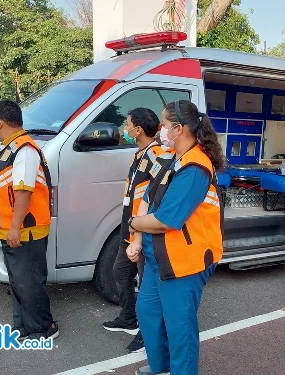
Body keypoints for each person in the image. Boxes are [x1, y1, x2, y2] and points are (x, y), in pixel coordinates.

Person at [126, 100, 224, 375]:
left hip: (184, 261)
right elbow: (147, 197)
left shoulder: (196, 168)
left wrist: (133, 223)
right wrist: (135, 237)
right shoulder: (170, 157)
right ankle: (161, 366)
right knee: (148, 314)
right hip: (159, 257)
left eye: (165, 125)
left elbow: (166, 220)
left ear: (180, 129)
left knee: (180, 328)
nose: (161, 130)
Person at [0, 99, 58, 341]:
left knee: (29, 282)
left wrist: (15, 228)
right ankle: (25, 325)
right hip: (14, 228)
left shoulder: (24, 150)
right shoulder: (11, 147)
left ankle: (44, 327)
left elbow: (24, 191)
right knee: (18, 281)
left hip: (26, 230)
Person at [102, 107, 165, 353]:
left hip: (142, 232)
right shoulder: (140, 153)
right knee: (120, 273)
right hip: (129, 227)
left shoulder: (156, 156)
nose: (124, 129)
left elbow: (156, 198)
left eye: (127, 125)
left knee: (147, 284)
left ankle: (146, 332)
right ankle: (128, 318)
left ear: (138, 129)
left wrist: (140, 232)